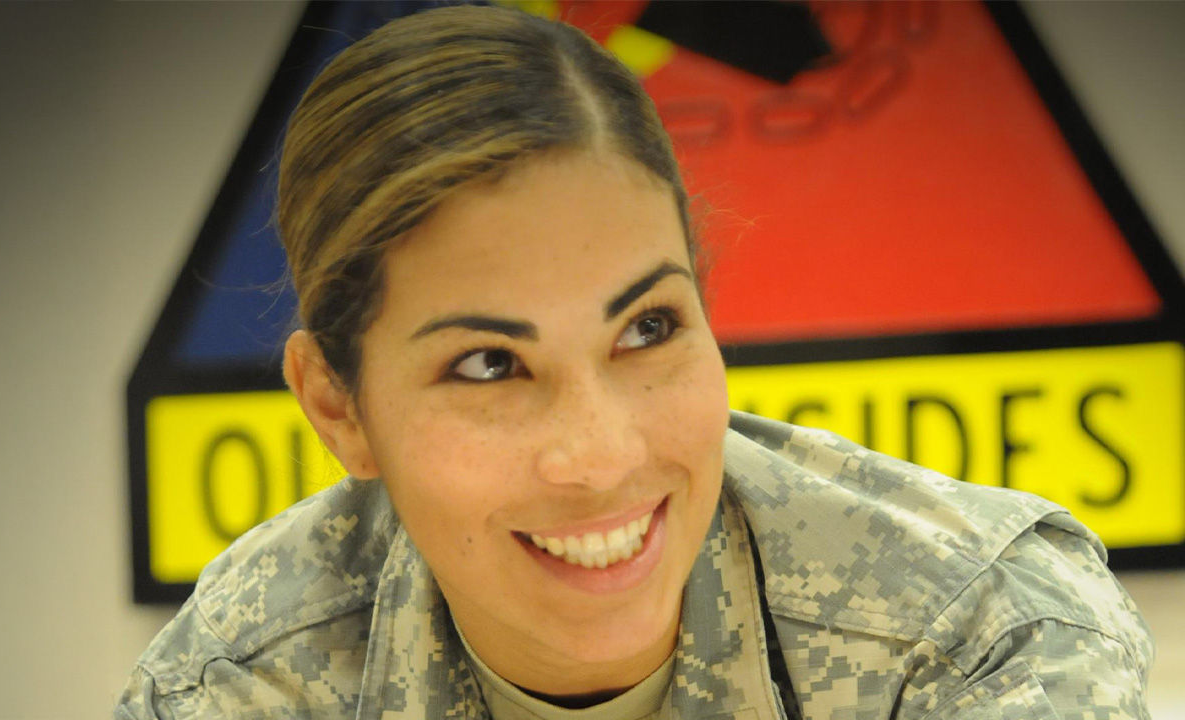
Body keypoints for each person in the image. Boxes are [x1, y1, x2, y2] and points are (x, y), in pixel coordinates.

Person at [115, 5, 1153, 719]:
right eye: (486, 366)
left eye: (647, 329)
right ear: (336, 407)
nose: (601, 457)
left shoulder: (972, 634)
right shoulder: (246, 681)